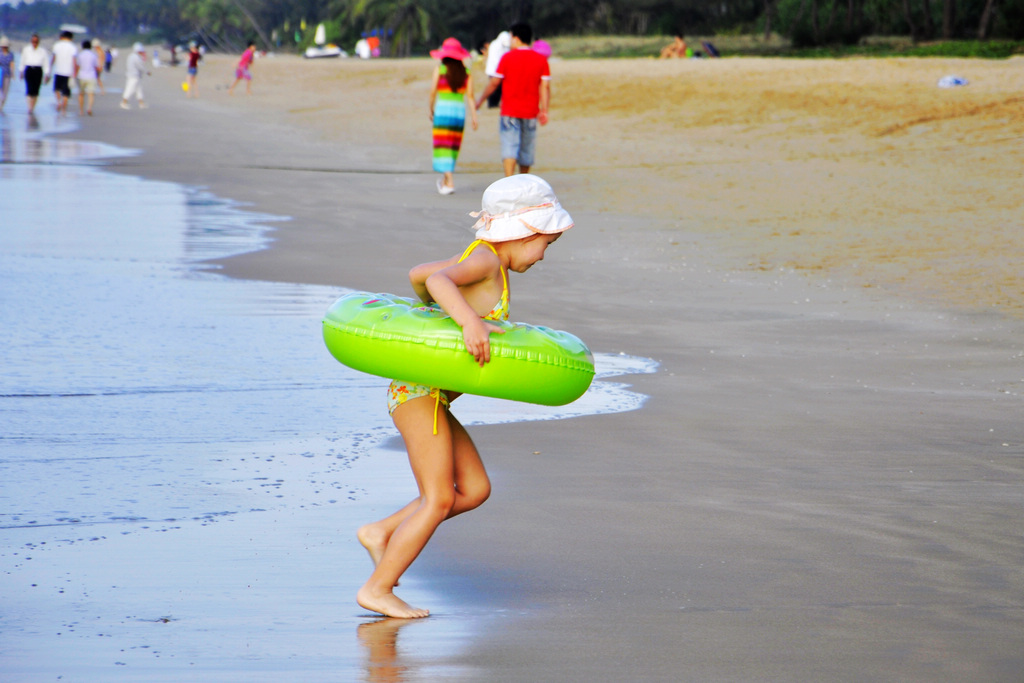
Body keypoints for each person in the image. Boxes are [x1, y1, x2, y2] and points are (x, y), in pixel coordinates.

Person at [356, 173, 574, 619]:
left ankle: (380, 532)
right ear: (524, 232)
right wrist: (467, 323)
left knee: (474, 490)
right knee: (437, 498)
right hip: (419, 393)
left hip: (432, 397)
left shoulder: (479, 258)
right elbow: (437, 282)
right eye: (545, 245)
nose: (544, 256)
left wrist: (438, 319)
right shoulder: (487, 263)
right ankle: (377, 589)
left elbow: (419, 276)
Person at [475, 23, 550, 177]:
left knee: (509, 146)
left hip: (509, 111)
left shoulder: (507, 58)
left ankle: (509, 179)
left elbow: (495, 82)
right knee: (526, 148)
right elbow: (545, 86)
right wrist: (545, 110)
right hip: (530, 111)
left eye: (510, 37)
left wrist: (481, 100)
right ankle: (523, 179)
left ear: (516, 38)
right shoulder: (541, 60)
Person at [429, 38, 478, 195]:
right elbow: (470, 96)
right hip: (459, 113)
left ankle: (449, 181)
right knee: (452, 145)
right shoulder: (466, 73)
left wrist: (430, 108)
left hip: (443, 110)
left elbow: (433, 92)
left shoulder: (441, 70)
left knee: (442, 145)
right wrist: (474, 116)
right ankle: (444, 180)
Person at [19, 34, 49, 114]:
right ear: (31, 41)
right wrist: (21, 71)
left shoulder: (42, 51)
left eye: (36, 42)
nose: (34, 43)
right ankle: (29, 107)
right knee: (29, 89)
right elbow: (22, 61)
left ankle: (32, 107)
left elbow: (46, 63)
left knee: (36, 91)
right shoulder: (26, 49)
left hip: (38, 70)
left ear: (38, 42)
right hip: (29, 69)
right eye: (33, 41)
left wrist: (47, 74)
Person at [49, 30, 77, 114]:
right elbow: (74, 61)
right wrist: (75, 73)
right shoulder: (73, 47)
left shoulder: (57, 45)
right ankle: (64, 109)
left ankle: (59, 102)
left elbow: (53, 58)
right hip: (68, 72)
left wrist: (50, 68)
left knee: (56, 89)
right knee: (66, 92)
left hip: (58, 71)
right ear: (71, 38)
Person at [482, 30, 510, 109]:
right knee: (494, 88)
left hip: (499, 70)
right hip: (493, 70)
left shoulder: (504, 45)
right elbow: (496, 59)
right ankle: (491, 104)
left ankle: (495, 103)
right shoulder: (495, 45)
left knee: (500, 88)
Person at [74, 39, 100, 116]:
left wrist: (75, 74)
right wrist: (97, 76)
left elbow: (77, 66)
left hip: (81, 76)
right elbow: (97, 67)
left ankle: (81, 111)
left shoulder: (80, 55)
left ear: (82, 46)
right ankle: (89, 108)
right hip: (91, 76)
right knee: (91, 94)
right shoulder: (93, 55)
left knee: (81, 94)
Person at [120, 43, 149, 110]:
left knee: (139, 90)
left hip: (132, 75)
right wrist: (147, 72)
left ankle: (141, 103)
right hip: (134, 76)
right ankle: (124, 102)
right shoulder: (136, 57)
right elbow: (140, 66)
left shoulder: (131, 56)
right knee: (130, 89)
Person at [0, 37, 13, 112]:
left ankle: (1, 106)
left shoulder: (10, 54)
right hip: (0, 73)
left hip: (7, 74)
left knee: (5, 92)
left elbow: (12, 64)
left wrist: (13, 73)